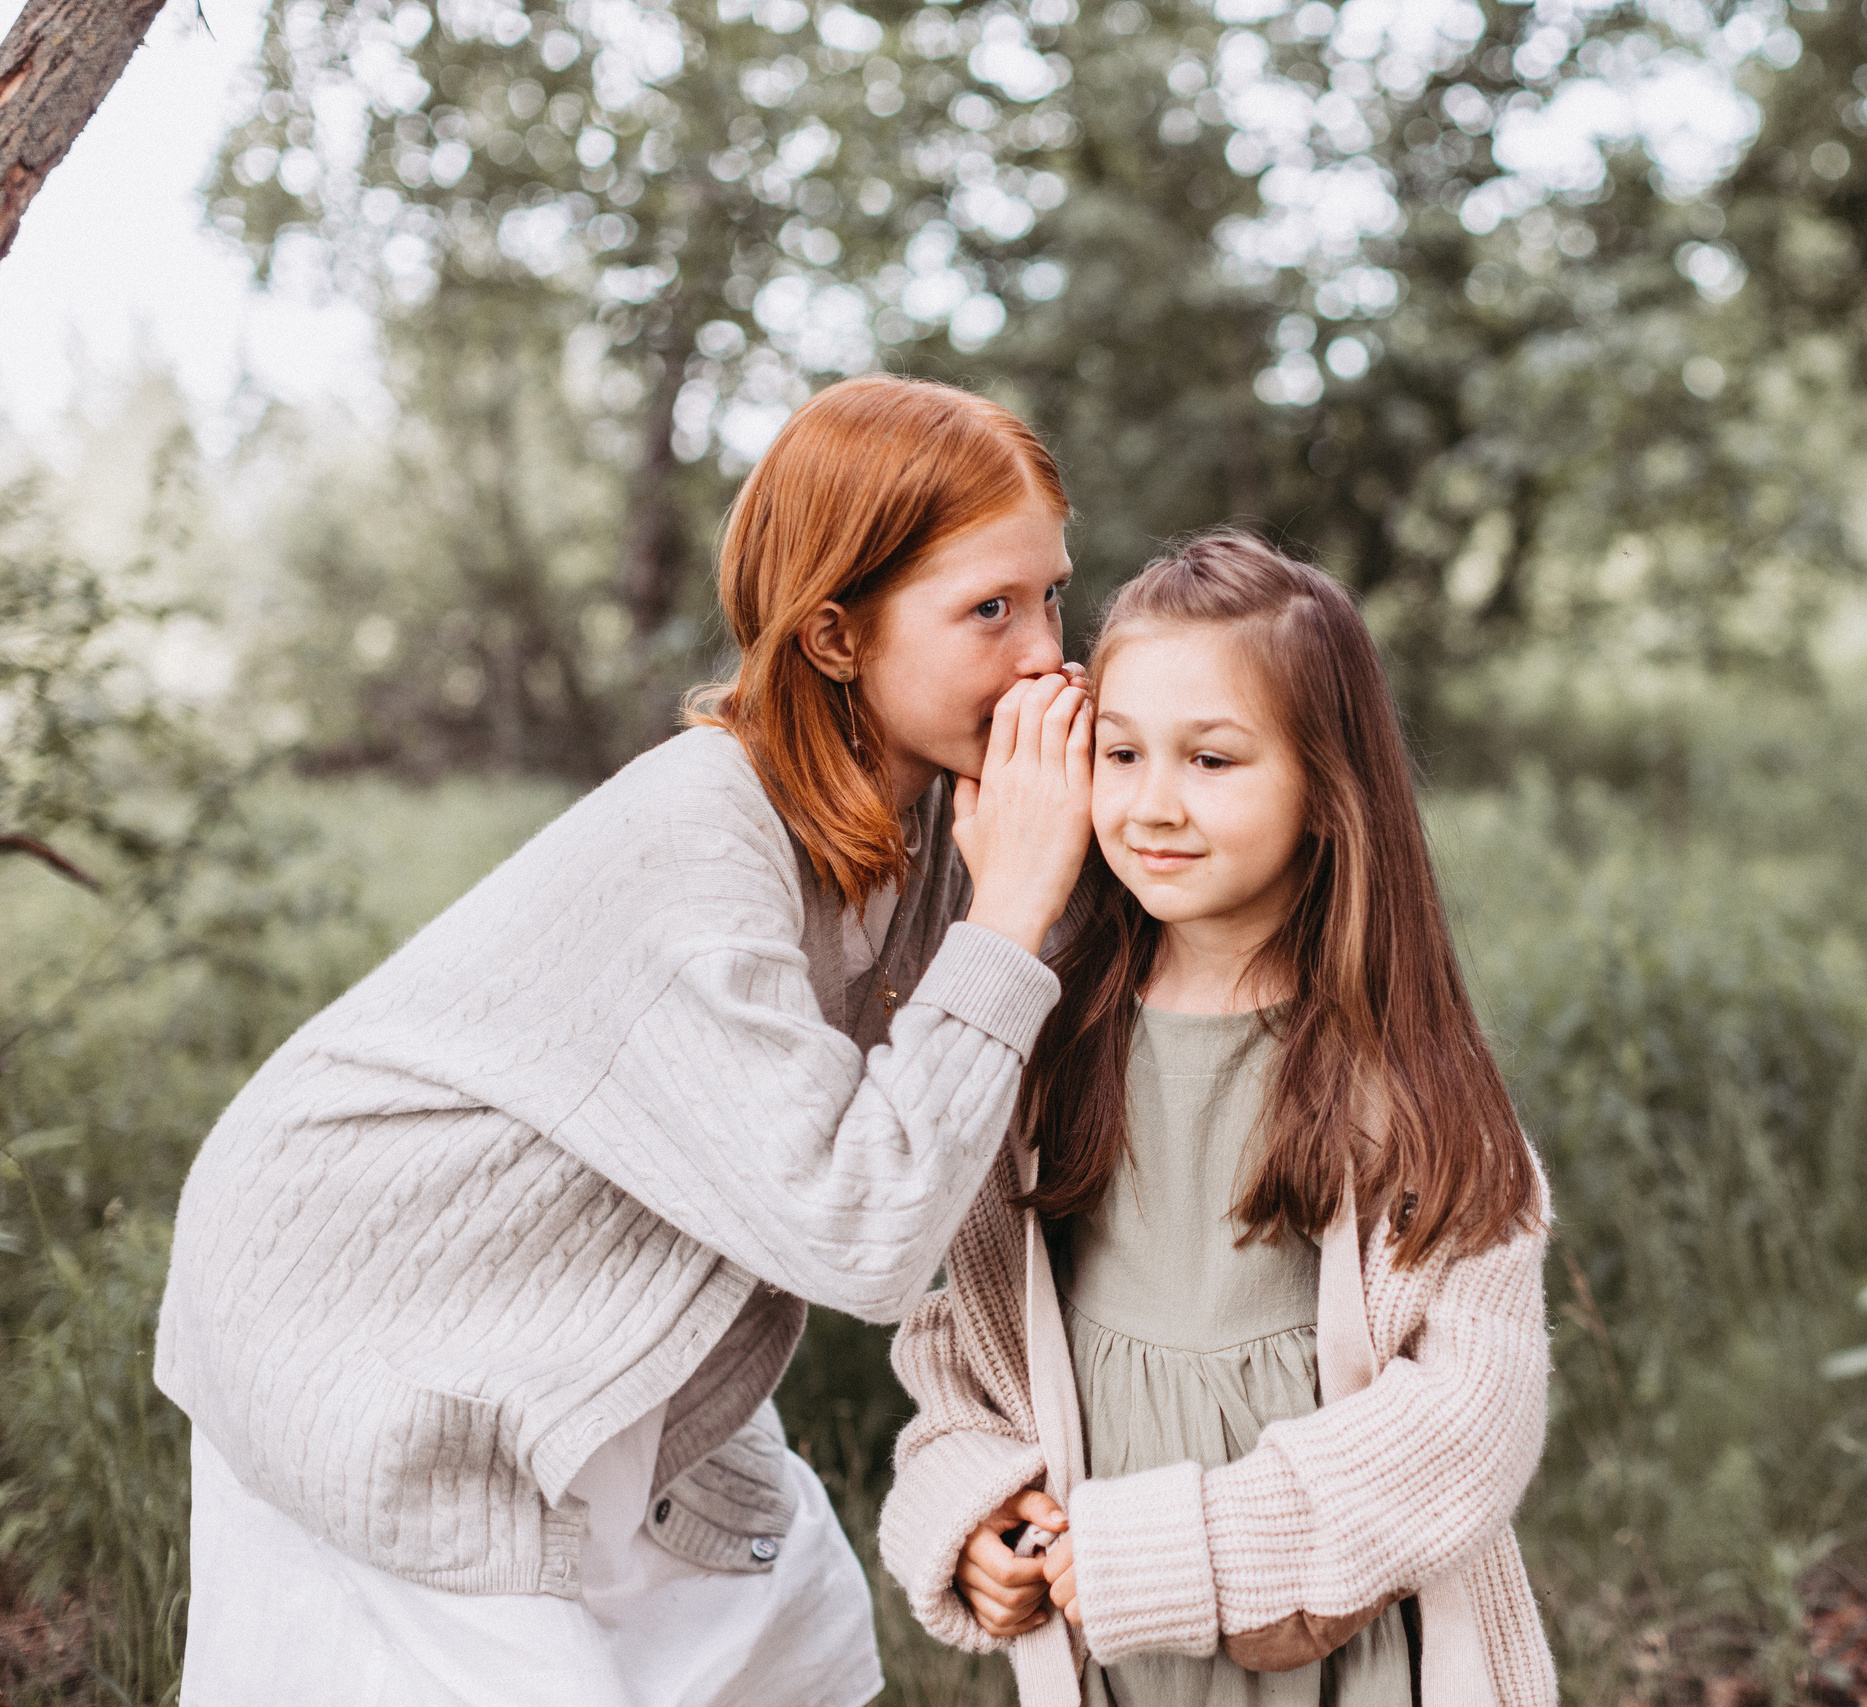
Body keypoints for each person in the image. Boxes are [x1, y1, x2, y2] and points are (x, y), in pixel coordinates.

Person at [155, 375, 1097, 1706]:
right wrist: (1007, 926)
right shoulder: (700, 835)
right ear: (836, 635)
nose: (1043, 653)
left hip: (594, 1311)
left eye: (1053, 593)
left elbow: (991, 1107)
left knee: (785, 1624)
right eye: (987, 610)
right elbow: (866, 1230)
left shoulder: (951, 811)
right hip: (366, 1306)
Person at [878, 531, 1560, 1707]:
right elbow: (969, 1341)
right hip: (1111, 1645)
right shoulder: (1043, 1045)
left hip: (1327, 1632)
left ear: (1326, 790)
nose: (1152, 805)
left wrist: (1211, 1553)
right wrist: (970, 1504)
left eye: (1212, 760)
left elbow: (1473, 1411)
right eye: (1123, 753)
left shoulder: (1403, 1076)